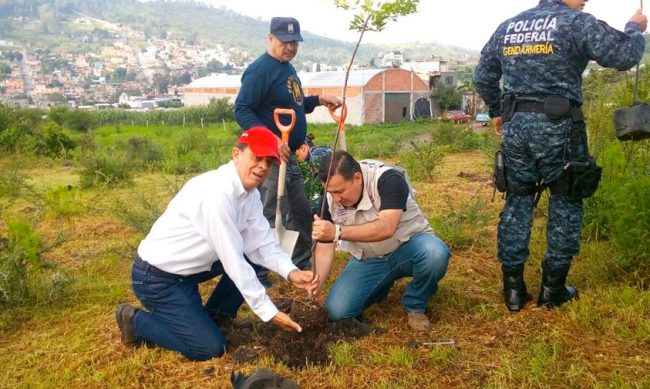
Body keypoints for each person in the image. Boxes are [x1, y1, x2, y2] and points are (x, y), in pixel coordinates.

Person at [474, 0, 647, 312]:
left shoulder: (509, 26)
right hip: (561, 127)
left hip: (517, 129)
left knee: (518, 199)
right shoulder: (575, 22)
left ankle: (513, 290)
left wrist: (498, 111)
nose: (586, 0)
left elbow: (483, 76)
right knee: (567, 200)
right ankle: (552, 289)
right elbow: (624, 55)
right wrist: (635, 28)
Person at [114, 127, 319, 361]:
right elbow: (232, 259)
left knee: (254, 258)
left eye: (268, 161)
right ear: (235, 154)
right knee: (209, 349)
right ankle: (134, 320)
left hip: (190, 270)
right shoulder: (217, 195)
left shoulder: (249, 195)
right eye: (256, 157)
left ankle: (216, 316)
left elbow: (262, 244)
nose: (262, 166)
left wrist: (291, 272)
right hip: (158, 278)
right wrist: (268, 312)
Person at [235, 16, 341, 272]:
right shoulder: (260, 70)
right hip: (268, 157)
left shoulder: (287, 68)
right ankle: (261, 269)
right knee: (270, 212)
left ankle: (301, 262)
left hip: (288, 155)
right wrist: (271, 140)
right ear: (271, 38)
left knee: (302, 210)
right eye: (285, 41)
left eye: (295, 42)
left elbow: (295, 103)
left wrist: (318, 99)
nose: (291, 47)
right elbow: (242, 110)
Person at [310, 151, 450, 332]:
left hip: (407, 247)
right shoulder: (329, 201)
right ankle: (380, 285)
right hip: (369, 258)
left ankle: (415, 303)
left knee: (435, 254)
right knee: (336, 313)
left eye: (340, 191)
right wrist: (316, 281)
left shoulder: (387, 179)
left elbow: (387, 227)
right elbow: (325, 244)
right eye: (330, 192)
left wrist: (337, 231)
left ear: (357, 178)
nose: (336, 198)